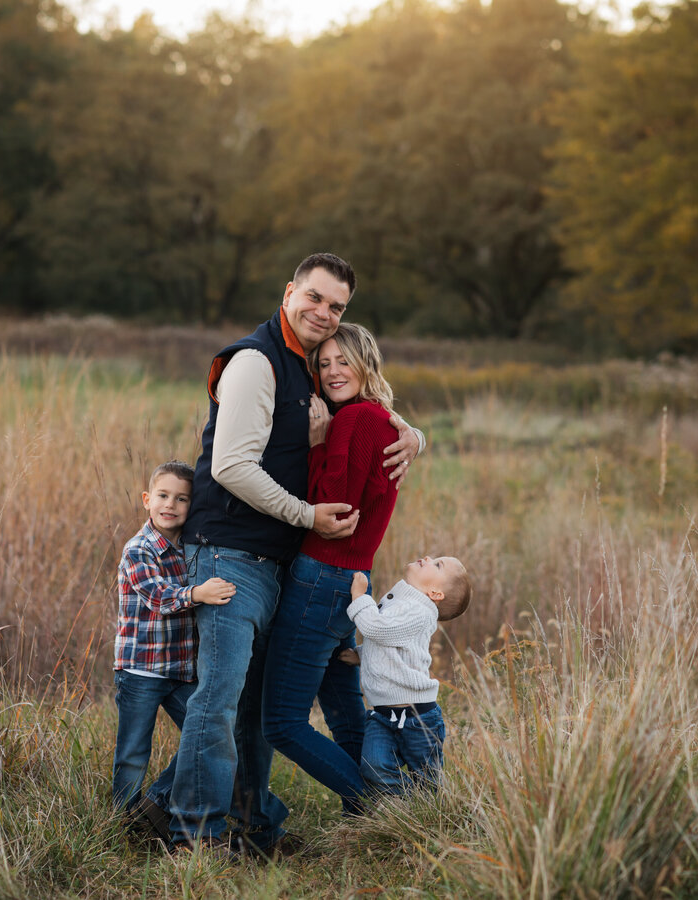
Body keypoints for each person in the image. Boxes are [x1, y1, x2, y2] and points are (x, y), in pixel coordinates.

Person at [168, 252, 423, 857]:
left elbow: (361, 399)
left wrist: (413, 432)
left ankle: (255, 831)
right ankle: (193, 837)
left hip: (279, 565)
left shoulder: (310, 364)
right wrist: (308, 516)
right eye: (315, 298)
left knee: (255, 709)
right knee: (222, 697)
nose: (324, 314)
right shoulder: (257, 362)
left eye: (337, 308)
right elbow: (230, 467)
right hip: (228, 553)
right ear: (289, 292)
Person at [261, 322, 401, 815]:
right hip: (351, 580)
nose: (334, 371)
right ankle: (368, 819)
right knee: (344, 713)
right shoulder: (382, 419)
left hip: (321, 577)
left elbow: (329, 509)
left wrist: (319, 440)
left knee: (280, 721)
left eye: (344, 361)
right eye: (324, 364)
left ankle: (380, 802)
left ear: (366, 363)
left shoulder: (351, 422)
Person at [111, 461, 236, 832]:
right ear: (148, 500)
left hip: (182, 669)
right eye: (163, 496)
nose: (171, 505)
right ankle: (124, 824)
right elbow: (158, 597)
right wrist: (198, 593)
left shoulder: (194, 548)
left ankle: (156, 802)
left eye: (182, 499)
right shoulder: (139, 549)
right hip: (141, 669)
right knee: (133, 753)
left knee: (206, 733)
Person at [345, 555, 471, 796]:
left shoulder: (420, 612)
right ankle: (410, 805)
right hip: (382, 716)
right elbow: (393, 646)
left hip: (418, 717)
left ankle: (432, 810)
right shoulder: (402, 602)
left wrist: (360, 598)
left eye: (437, 564)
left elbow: (378, 629)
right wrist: (362, 655)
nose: (428, 557)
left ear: (435, 593)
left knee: (428, 778)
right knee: (373, 767)